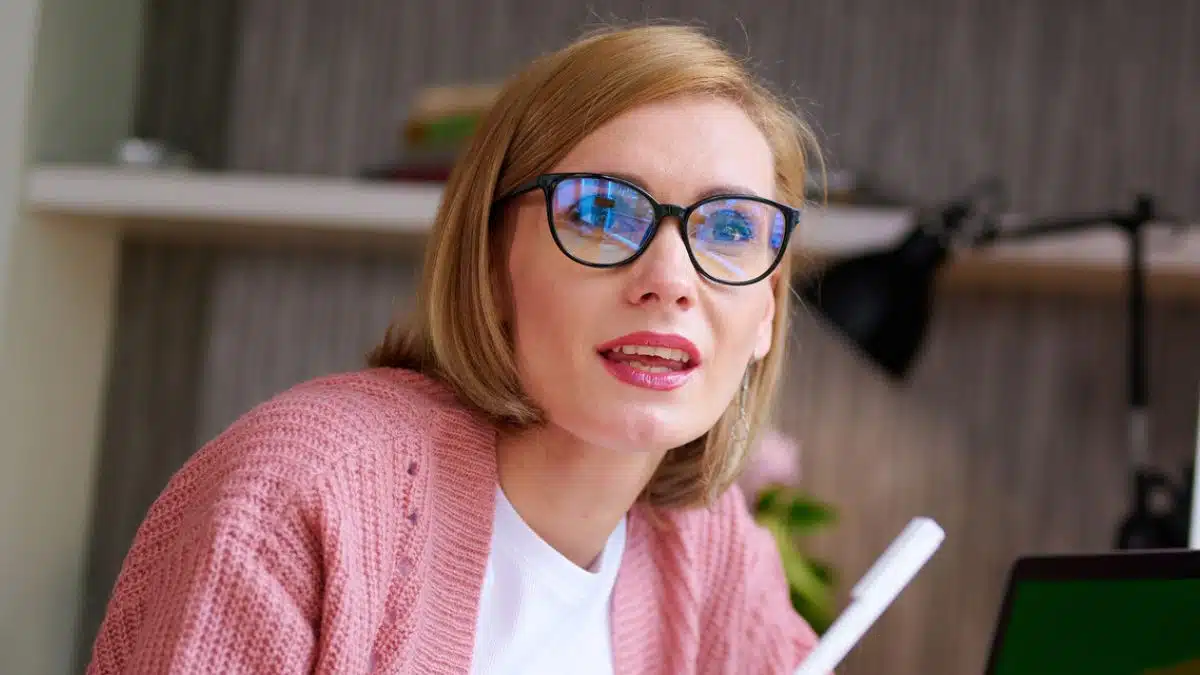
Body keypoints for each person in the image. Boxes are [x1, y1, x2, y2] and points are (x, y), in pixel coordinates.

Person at [86, 22, 824, 675]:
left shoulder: (709, 550)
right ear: (492, 259)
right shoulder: (305, 495)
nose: (670, 280)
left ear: (765, 308)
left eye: (730, 230)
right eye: (601, 212)